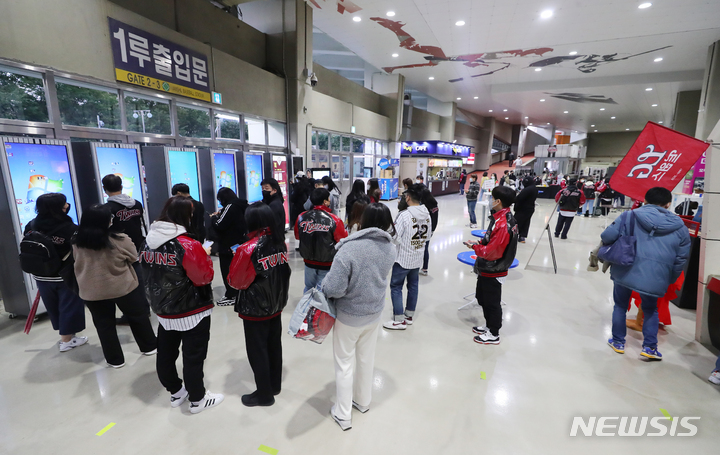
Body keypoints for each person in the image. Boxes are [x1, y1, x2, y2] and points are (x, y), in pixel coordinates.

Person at [140, 196, 222, 414]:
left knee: (166, 353)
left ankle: (176, 391)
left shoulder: (147, 241)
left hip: (163, 309)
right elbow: (203, 277)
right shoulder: (188, 244)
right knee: (193, 356)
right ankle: (198, 399)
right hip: (191, 309)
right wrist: (204, 256)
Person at [321, 203, 397, 431]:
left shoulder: (349, 249)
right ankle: (363, 402)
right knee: (366, 359)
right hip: (374, 313)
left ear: (364, 220)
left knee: (344, 363)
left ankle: (343, 414)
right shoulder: (390, 247)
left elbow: (333, 288)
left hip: (349, 316)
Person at [603, 187, 690, 361]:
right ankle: (650, 348)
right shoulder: (680, 226)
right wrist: (669, 278)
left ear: (645, 199)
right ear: (668, 204)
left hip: (625, 269)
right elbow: (681, 258)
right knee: (651, 310)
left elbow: (607, 236)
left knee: (620, 306)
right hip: (657, 276)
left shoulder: (629, 216)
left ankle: (618, 342)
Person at [73, 204, 157, 368]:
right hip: (121, 286)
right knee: (137, 316)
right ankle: (149, 346)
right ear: (106, 221)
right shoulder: (120, 239)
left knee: (104, 324)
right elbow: (134, 257)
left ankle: (115, 359)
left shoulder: (77, 241)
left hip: (91, 290)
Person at [228, 202, 291, 407]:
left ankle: (264, 395)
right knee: (274, 345)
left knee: (258, 350)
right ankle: (274, 385)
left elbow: (235, 281)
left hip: (255, 308)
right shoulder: (279, 242)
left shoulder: (247, 248)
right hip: (276, 303)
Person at [24, 193, 87, 352]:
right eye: (64, 204)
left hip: (41, 274)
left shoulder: (31, 225)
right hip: (64, 274)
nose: (67, 206)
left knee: (53, 306)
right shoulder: (69, 228)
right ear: (57, 208)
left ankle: (66, 335)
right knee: (69, 305)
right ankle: (66, 340)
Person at [463, 186, 518, 345]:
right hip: (487, 268)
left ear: (498, 201)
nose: (490, 201)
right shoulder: (499, 217)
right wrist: (479, 243)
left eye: (492, 198)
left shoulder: (503, 223)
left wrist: (475, 248)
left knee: (492, 302)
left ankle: (494, 333)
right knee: (483, 298)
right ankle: (488, 326)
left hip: (494, 268)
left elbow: (492, 252)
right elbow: (490, 239)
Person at [384, 184, 432, 330]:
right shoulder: (427, 214)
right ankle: (409, 315)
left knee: (396, 286)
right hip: (418, 256)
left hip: (403, 258)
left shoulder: (404, 215)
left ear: (408, 197)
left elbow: (395, 238)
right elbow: (428, 236)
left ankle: (399, 319)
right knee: (413, 286)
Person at [295, 188, 348, 292]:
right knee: (322, 290)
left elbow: (298, 236)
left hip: (308, 261)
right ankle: (319, 308)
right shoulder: (334, 219)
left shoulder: (301, 217)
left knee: (308, 288)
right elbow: (342, 239)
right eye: (329, 199)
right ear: (325, 202)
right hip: (327, 262)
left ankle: (306, 307)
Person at [210, 187, 248, 306]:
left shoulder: (230, 206)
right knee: (238, 268)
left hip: (227, 244)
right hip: (239, 243)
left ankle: (231, 294)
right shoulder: (242, 205)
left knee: (227, 269)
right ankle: (239, 291)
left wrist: (213, 218)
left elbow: (219, 224)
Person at [102, 174, 146, 251]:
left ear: (104, 188)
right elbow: (142, 223)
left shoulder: (106, 209)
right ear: (121, 187)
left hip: (119, 250)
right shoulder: (137, 204)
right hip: (138, 246)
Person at [420, 188, 439, 276]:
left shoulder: (424, 206)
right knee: (425, 248)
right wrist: (432, 230)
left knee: (419, 247)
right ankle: (425, 268)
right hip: (430, 229)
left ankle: (417, 266)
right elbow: (435, 218)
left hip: (422, 229)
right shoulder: (434, 204)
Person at [513, 177, 537, 243]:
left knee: (516, 222)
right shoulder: (534, 188)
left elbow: (519, 198)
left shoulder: (527, 190)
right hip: (530, 208)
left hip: (522, 209)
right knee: (526, 222)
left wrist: (512, 199)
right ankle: (522, 237)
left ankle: (513, 235)